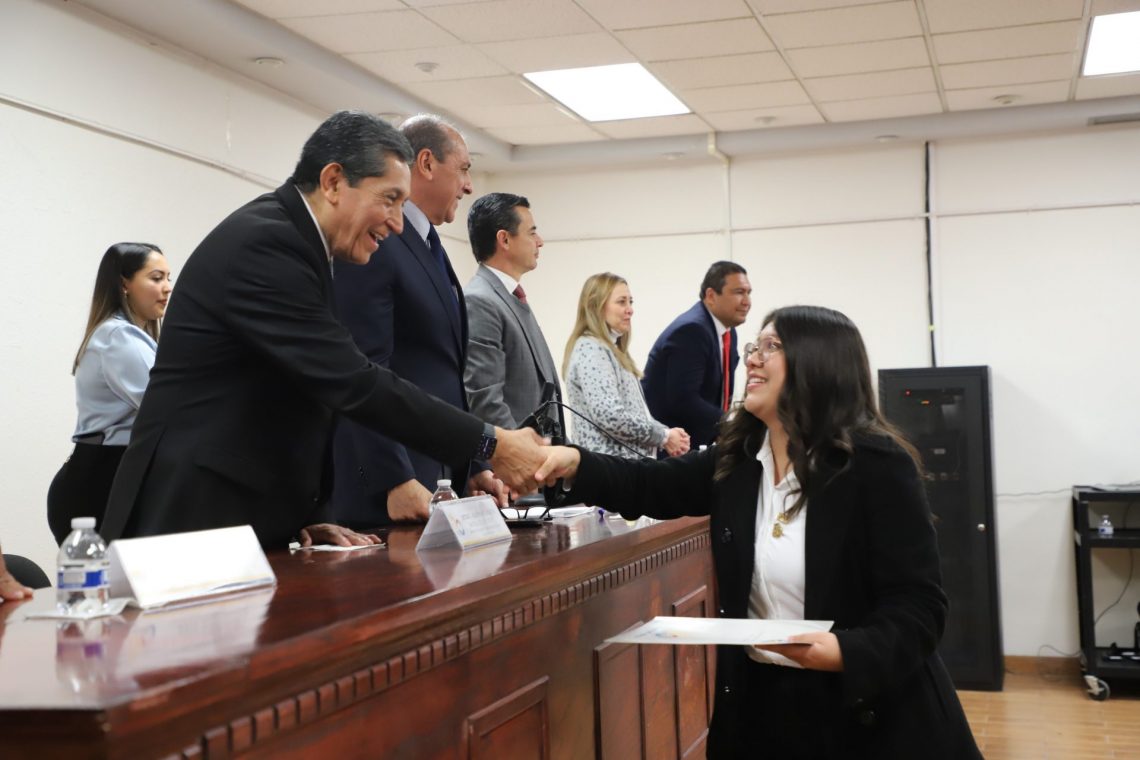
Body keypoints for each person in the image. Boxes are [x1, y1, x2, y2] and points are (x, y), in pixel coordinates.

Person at [535, 305, 981, 759]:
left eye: (772, 346)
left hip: (866, 716)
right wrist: (576, 463)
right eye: (754, 346)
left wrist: (844, 651)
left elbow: (919, 606)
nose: (752, 358)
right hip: (763, 709)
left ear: (819, 362)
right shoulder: (740, 458)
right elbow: (647, 485)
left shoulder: (877, 466)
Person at [100, 111, 547, 550]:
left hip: (250, 512)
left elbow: (301, 390)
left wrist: (310, 513)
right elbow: (352, 381)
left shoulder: (306, 246)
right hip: (190, 513)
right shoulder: (266, 244)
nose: (397, 222)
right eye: (390, 199)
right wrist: (490, 441)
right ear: (333, 182)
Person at [331, 114, 506, 527]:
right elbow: (363, 369)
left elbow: (445, 377)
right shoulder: (376, 242)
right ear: (426, 163)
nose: (468, 185)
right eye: (463, 169)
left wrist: (474, 465)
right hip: (395, 490)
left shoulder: (430, 246)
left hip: (439, 478)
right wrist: (393, 478)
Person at [47, 243, 172, 544]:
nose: (167, 288)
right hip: (99, 481)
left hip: (108, 473)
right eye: (156, 278)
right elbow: (168, 408)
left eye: (169, 278)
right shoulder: (118, 336)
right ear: (123, 284)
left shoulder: (133, 336)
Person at [562, 273, 688, 459]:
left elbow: (636, 414)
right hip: (608, 470)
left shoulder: (611, 349)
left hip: (622, 469)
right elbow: (610, 416)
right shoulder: (591, 349)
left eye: (630, 302)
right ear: (596, 306)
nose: (630, 310)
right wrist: (664, 436)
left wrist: (667, 434)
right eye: (621, 302)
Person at [463, 193, 560, 431]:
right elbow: (486, 402)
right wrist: (524, 450)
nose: (540, 242)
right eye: (532, 233)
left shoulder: (511, 296)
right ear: (504, 239)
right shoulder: (480, 301)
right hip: (518, 452)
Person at [641, 261, 751, 448]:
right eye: (739, 292)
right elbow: (684, 400)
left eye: (749, 293)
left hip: (701, 443)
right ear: (711, 296)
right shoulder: (691, 330)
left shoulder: (728, 331)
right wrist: (732, 423)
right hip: (671, 450)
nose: (747, 302)